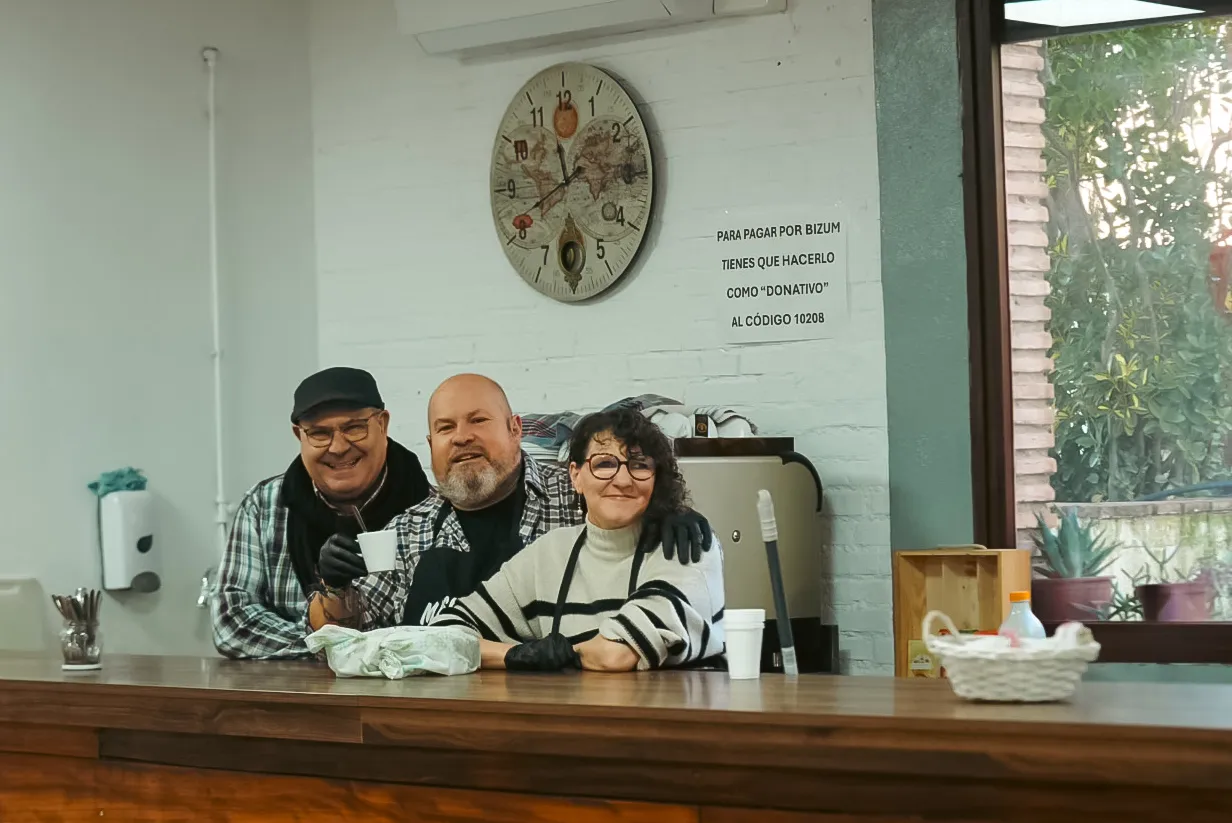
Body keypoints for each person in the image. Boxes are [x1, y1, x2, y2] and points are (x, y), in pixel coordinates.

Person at [313, 373, 712, 632]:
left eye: (478, 420)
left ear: (515, 429)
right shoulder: (405, 532)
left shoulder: (576, 494)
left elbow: (632, 500)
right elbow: (346, 638)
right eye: (446, 428)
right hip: (437, 721)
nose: (462, 436)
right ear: (432, 445)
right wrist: (333, 585)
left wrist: (667, 512)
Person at [431, 407, 725, 672]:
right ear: (576, 476)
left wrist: (562, 655)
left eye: (639, 465)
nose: (623, 480)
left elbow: (617, 654)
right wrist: (516, 655)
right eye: (605, 464)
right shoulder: (549, 554)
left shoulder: (689, 544)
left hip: (673, 726)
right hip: (576, 724)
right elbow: (444, 635)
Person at [212, 367, 431, 659]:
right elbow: (231, 620)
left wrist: (334, 643)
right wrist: (328, 646)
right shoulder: (262, 506)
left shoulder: (432, 510)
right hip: (293, 698)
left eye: (354, 427)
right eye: (319, 434)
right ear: (298, 435)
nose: (338, 447)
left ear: (383, 424)